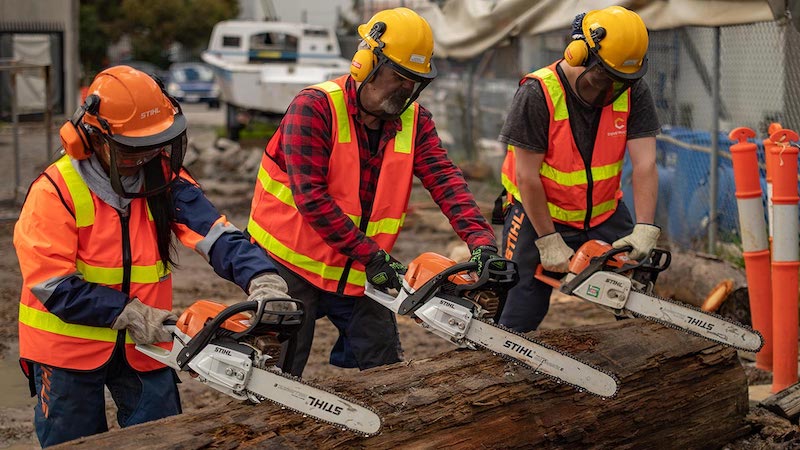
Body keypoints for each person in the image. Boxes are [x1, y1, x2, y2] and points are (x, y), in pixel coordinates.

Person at [14, 66, 290, 447]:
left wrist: (262, 277)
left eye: (155, 144)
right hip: (67, 352)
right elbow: (54, 286)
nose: (146, 156)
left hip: (145, 345)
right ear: (91, 138)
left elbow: (216, 234)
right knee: (72, 444)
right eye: (133, 147)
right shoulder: (54, 191)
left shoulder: (164, 178)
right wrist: (132, 312)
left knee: (165, 439)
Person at [246, 7, 500, 377]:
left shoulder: (415, 122)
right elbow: (311, 198)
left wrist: (482, 243)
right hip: (291, 264)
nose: (406, 90)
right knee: (278, 372)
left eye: (414, 81)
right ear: (365, 63)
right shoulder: (315, 108)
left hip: (360, 267)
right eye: (398, 77)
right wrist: (372, 255)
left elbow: (446, 181)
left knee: (385, 368)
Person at [496, 6, 661, 333]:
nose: (611, 89)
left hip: (605, 212)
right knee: (520, 310)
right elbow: (526, 176)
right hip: (539, 214)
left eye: (620, 82)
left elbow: (645, 163)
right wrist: (548, 239)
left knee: (639, 298)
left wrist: (644, 226)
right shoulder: (538, 93)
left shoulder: (633, 89)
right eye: (605, 78)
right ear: (579, 54)